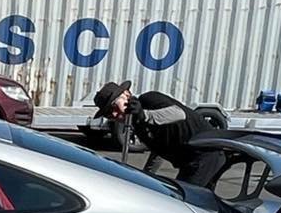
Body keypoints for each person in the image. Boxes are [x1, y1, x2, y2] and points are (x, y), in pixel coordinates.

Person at [92, 80, 225, 188]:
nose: (114, 114)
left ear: (126, 94)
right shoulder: (138, 125)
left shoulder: (149, 100)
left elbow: (179, 114)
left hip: (206, 154)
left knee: (186, 203)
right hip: (189, 162)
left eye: (115, 107)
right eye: (109, 113)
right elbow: (159, 148)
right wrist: (147, 177)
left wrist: (144, 115)